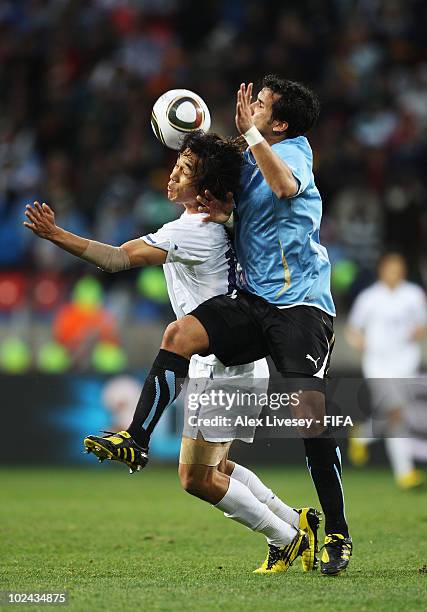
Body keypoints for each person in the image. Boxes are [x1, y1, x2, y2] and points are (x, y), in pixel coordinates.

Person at [82, 75, 352, 576]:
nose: (251, 108)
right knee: (179, 334)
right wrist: (220, 206)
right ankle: (137, 439)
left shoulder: (292, 153)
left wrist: (249, 135)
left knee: (307, 417)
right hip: (254, 302)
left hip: (300, 308)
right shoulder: (250, 157)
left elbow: (284, 188)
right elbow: (237, 205)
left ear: (281, 123)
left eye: (262, 106)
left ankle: (336, 532)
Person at [24, 131, 320, 575]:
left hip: (222, 365)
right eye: (177, 165)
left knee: (196, 478)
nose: (172, 174)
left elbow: (117, 259)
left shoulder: (192, 231)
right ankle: (296, 522)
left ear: (203, 192)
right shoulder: (223, 221)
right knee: (218, 465)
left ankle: (288, 538)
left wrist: (55, 235)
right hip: (231, 360)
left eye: (183, 171)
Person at [345, 252, 427, 489]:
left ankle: (365, 435)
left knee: (397, 417)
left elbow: (422, 324)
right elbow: (353, 329)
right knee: (397, 412)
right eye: (390, 268)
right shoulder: (370, 298)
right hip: (378, 363)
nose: (394, 272)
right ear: (382, 270)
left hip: (406, 362)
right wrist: (359, 341)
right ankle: (405, 472)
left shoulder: (413, 295)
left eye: (398, 267)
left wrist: (417, 332)